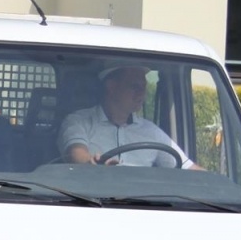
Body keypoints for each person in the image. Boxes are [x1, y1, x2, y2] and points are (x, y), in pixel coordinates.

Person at [60, 61, 193, 168]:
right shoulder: (79, 121)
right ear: (111, 87)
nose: (142, 93)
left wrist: (211, 182)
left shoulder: (151, 131)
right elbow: (75, 152)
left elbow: (188, 168)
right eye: (135, 86)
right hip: (89, 199)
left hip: (143, 201)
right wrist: (91, 163)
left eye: (144, 87)